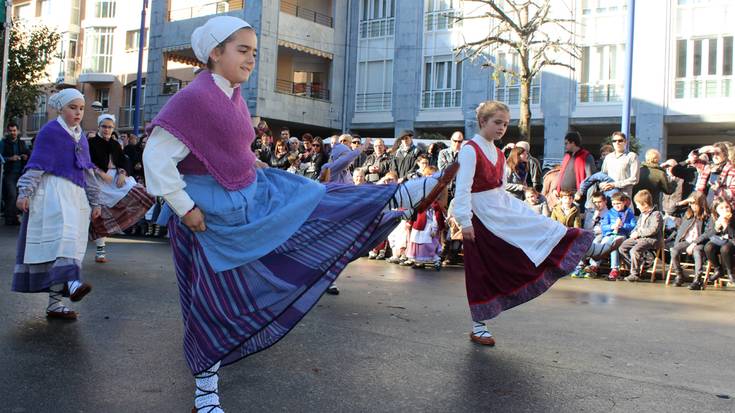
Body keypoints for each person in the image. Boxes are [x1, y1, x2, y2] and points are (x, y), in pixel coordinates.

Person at [141, 16, 459, 412]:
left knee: (309, 196)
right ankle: (206, 390)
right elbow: (154, 158)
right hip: (209, 216)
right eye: (243, 50)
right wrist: (185, 209)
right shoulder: (191, 98)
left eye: (254, 52)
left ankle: (398, 195)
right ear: (214, 52)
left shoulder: (232, 96)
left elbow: (223, 148)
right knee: (211, 299)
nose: (251, 59)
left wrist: (250, 164)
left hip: (241, 197)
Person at [453, 101, 616, 347]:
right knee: (481, 269)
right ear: (482, 122)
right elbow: (462, 189)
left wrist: (515, 208)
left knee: (539, 223)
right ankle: (479, 325)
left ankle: (587, 247)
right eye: (497, 122)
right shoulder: (469, 149)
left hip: (499, 207)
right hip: (481, 215)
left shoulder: (498, 154)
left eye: (506, 124)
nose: (502, 128)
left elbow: (499, 188)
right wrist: (464, 221)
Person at [11, 89, 100, 319]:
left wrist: (95, 200)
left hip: (75, 196)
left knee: (70, 244)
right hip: (52, 193)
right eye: (73, 107)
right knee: (61, 241)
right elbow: (37, 164)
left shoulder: (80, 136)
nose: (78, 112)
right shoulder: (50, 131)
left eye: (81, 108)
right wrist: (24, 192)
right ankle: (72, 284)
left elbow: (87, 170)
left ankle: (55, 304)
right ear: (61, 108)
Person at [88, 114, 154, 262]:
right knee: (98, 216)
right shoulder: (91, 142)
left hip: (116, 178)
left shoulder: (115, 144)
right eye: (104, 126)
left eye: (110, 127)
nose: (107, 129)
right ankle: (100, 251)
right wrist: (101, 173)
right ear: (99, 127)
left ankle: (123, 223)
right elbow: (85, 161)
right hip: (97, 181)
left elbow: (123, 161)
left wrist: (123, 173)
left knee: (145, 194)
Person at [619, 190, 664, 282]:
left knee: (634, 250)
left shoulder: (656, 214)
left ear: (645, 204)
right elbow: (637, 226)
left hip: (651, 239)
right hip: (640, 238)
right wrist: (633, 233)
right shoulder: (642, 214)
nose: (637, 207)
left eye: (638, 204)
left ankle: (635, 273)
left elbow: (653, 230)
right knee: (622, 247)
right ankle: (637, 267)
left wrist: (638, 233)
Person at [690, 197, 734, 290]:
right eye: (721, 208)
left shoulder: (733, 217)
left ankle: (730, 273)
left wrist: (726, 225)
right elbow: (708, 233)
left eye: (727, 207)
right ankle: (718, 269)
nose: (725, 210)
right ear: (716, 209)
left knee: (725, 249)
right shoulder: (713, 218)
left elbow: (733, 235)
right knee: (708, 247)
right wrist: (716, 228)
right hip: (719, 241)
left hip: (731, 242)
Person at [669, 192, 708, 287]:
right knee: (674, 250)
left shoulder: (707, 216)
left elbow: (707, 233)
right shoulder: (687, 213)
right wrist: (684, 202)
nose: (692, 206)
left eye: (695, 204)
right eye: (691, 204)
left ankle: (697, 279)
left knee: (697, 251)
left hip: (699, 242)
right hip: (686, 241)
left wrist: (695, 243)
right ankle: (679, 275)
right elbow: (671, 211)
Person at [599, 192, 636, 281]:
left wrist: (622, 225)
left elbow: (633, 226)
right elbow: (603, 227)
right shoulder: (609, 213)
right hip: (610, 234)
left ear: (624, 202)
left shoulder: (629, 213)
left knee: (614, 245)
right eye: (614, 204)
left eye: (618, 203)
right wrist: (611, 227)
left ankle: (615, 269)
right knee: (603, 245)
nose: (616, 206)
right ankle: (594, 265)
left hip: (621, 235)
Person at [2, 121, 30, 225]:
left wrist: (25, 156)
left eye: (14, 130)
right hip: (9, 173)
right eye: (10, 131)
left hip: (21, 173)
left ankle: (14, 217)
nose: (13, 133)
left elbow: (28, 153)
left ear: (17, 131)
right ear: (7, 132)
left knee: (19, 195)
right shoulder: (3, 143)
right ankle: (9, 218)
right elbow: (1, 157)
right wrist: (10, 158)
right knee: (12, 195)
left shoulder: (21, 143)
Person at [600, 131, 639, 199]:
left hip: (624, 197)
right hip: (609, 196)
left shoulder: (632, 156)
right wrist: (602, 185)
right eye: (614, 141)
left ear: (625, 142)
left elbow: (634, 179)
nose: (617, 143)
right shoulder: (608, 157)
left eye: (620, 140)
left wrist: (614, 184)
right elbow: (603, 175)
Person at [555, 131, 596, 197]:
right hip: (563, 195)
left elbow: (590, 177)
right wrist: (555, 188)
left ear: (573, 143)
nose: (565, 145)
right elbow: (561, 174)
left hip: (577, 196)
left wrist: (580, 191)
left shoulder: (586, 156)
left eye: (566, 143)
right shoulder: (566, 156)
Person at [696, 142, 735, 207]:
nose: (714, 156)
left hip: (721, 207)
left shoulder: (731, 169)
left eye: (717, 153)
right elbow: (692, 160)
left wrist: (718, 190)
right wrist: (700, 151)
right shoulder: (708, 167)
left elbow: (733, 193)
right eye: (713, 154)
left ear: (725, 154)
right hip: (704, 206)